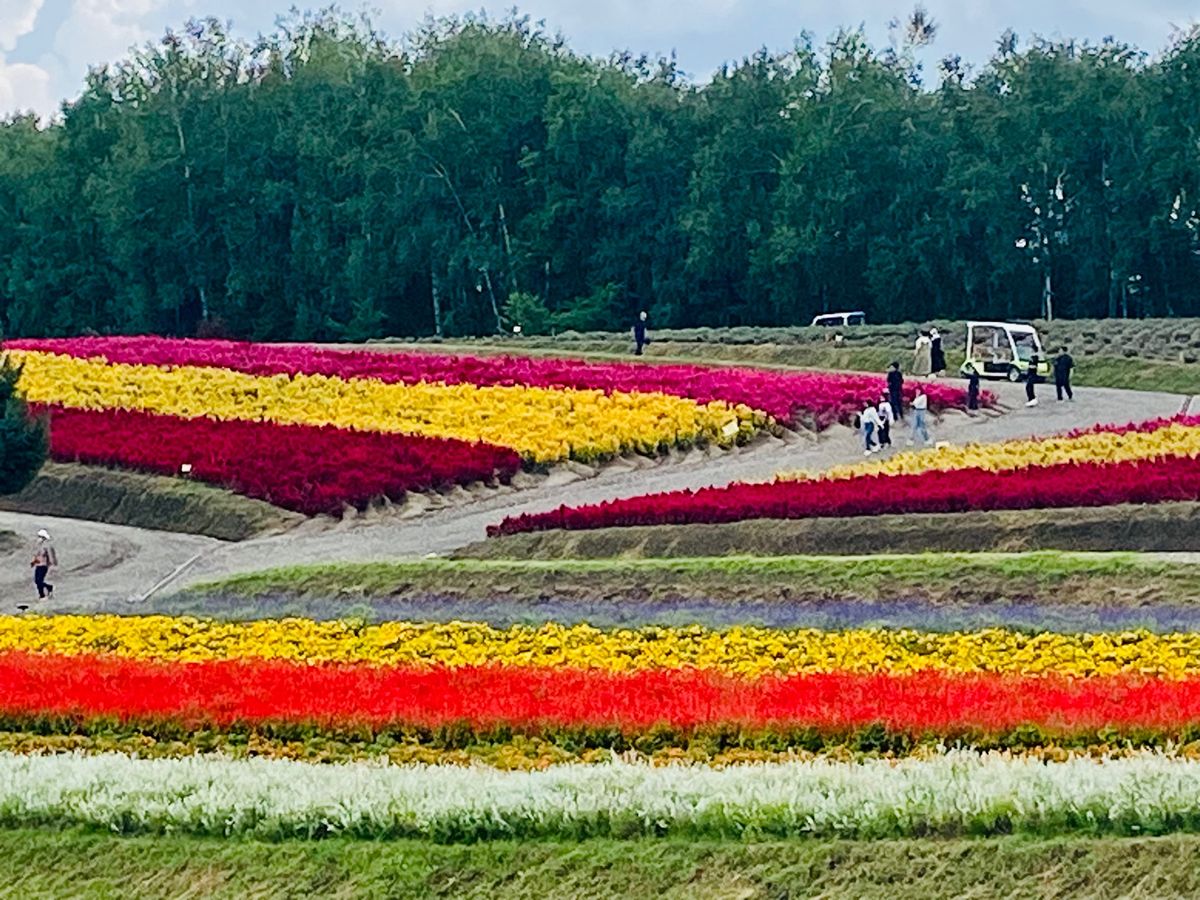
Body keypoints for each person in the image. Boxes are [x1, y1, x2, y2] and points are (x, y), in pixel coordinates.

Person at [29, 529, 56, 603]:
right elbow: (36, 555)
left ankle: (42, 595)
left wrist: (52, 565)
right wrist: (34, 562)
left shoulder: (46, 546)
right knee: (37, 580)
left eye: (40, 537)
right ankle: (48, 588)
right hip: (38, 565)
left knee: (39, 580)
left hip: (43, 566)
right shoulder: (38, 546)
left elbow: (50, 556)